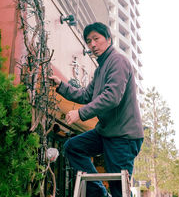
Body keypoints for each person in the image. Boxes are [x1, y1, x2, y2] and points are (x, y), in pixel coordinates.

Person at [50, 22, 144, 197]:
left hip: (123, 136)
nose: (92, 44)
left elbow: (112, 97)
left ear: (108, 39)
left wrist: (80, 113)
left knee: (120, 190)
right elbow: (86, 95)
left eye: (96, 39)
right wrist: (61, 86)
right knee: (73, 147)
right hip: (106, 132)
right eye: (88, 41)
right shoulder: (101, 69)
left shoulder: (118, 61)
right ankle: (101, 193)